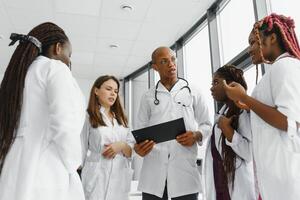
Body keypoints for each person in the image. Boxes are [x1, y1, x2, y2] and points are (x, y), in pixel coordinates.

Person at [0, 22, 86, 200]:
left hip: (14, 167)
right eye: (69, 55)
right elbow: (64, 123)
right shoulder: (54, 68)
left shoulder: (20, 75)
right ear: (57, 48)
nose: (69, 61)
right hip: (46, 171)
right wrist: (74, 163)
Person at [223, 13, 300, 200]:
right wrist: (249, 105)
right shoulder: (277, 70)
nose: (250, 50)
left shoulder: (285, 66)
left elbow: (290, 122)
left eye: (253, 42)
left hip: (286, 181)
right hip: (275, 179)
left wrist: (246, 99)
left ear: (272, 37)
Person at [134, 46, 211, 200]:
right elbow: (138, 132)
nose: (171, 64)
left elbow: (207, 124)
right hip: (154, 173)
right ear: (155, 67)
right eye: (164, 61)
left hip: (185, 174)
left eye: (173, 59)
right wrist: (138, 148)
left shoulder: (193, 91)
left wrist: (196, 135)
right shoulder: (148, 97)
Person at [204, 65, 255, 200]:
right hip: (220, 184)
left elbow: (249, 153)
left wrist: (228, 131)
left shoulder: (242, 112)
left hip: (237, 188)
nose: (211, 88)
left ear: (230, 84)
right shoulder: (222, 114)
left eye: (216, 82)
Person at [81, 75, 134, 200]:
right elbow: (81, 149)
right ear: (96, 91)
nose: (113, 94)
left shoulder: (122, 120)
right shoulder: (87, 117)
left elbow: (132, 151)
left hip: (119, 177)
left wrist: (121, 145)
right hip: (96, 177)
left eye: (116, 91)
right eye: (109, 89)